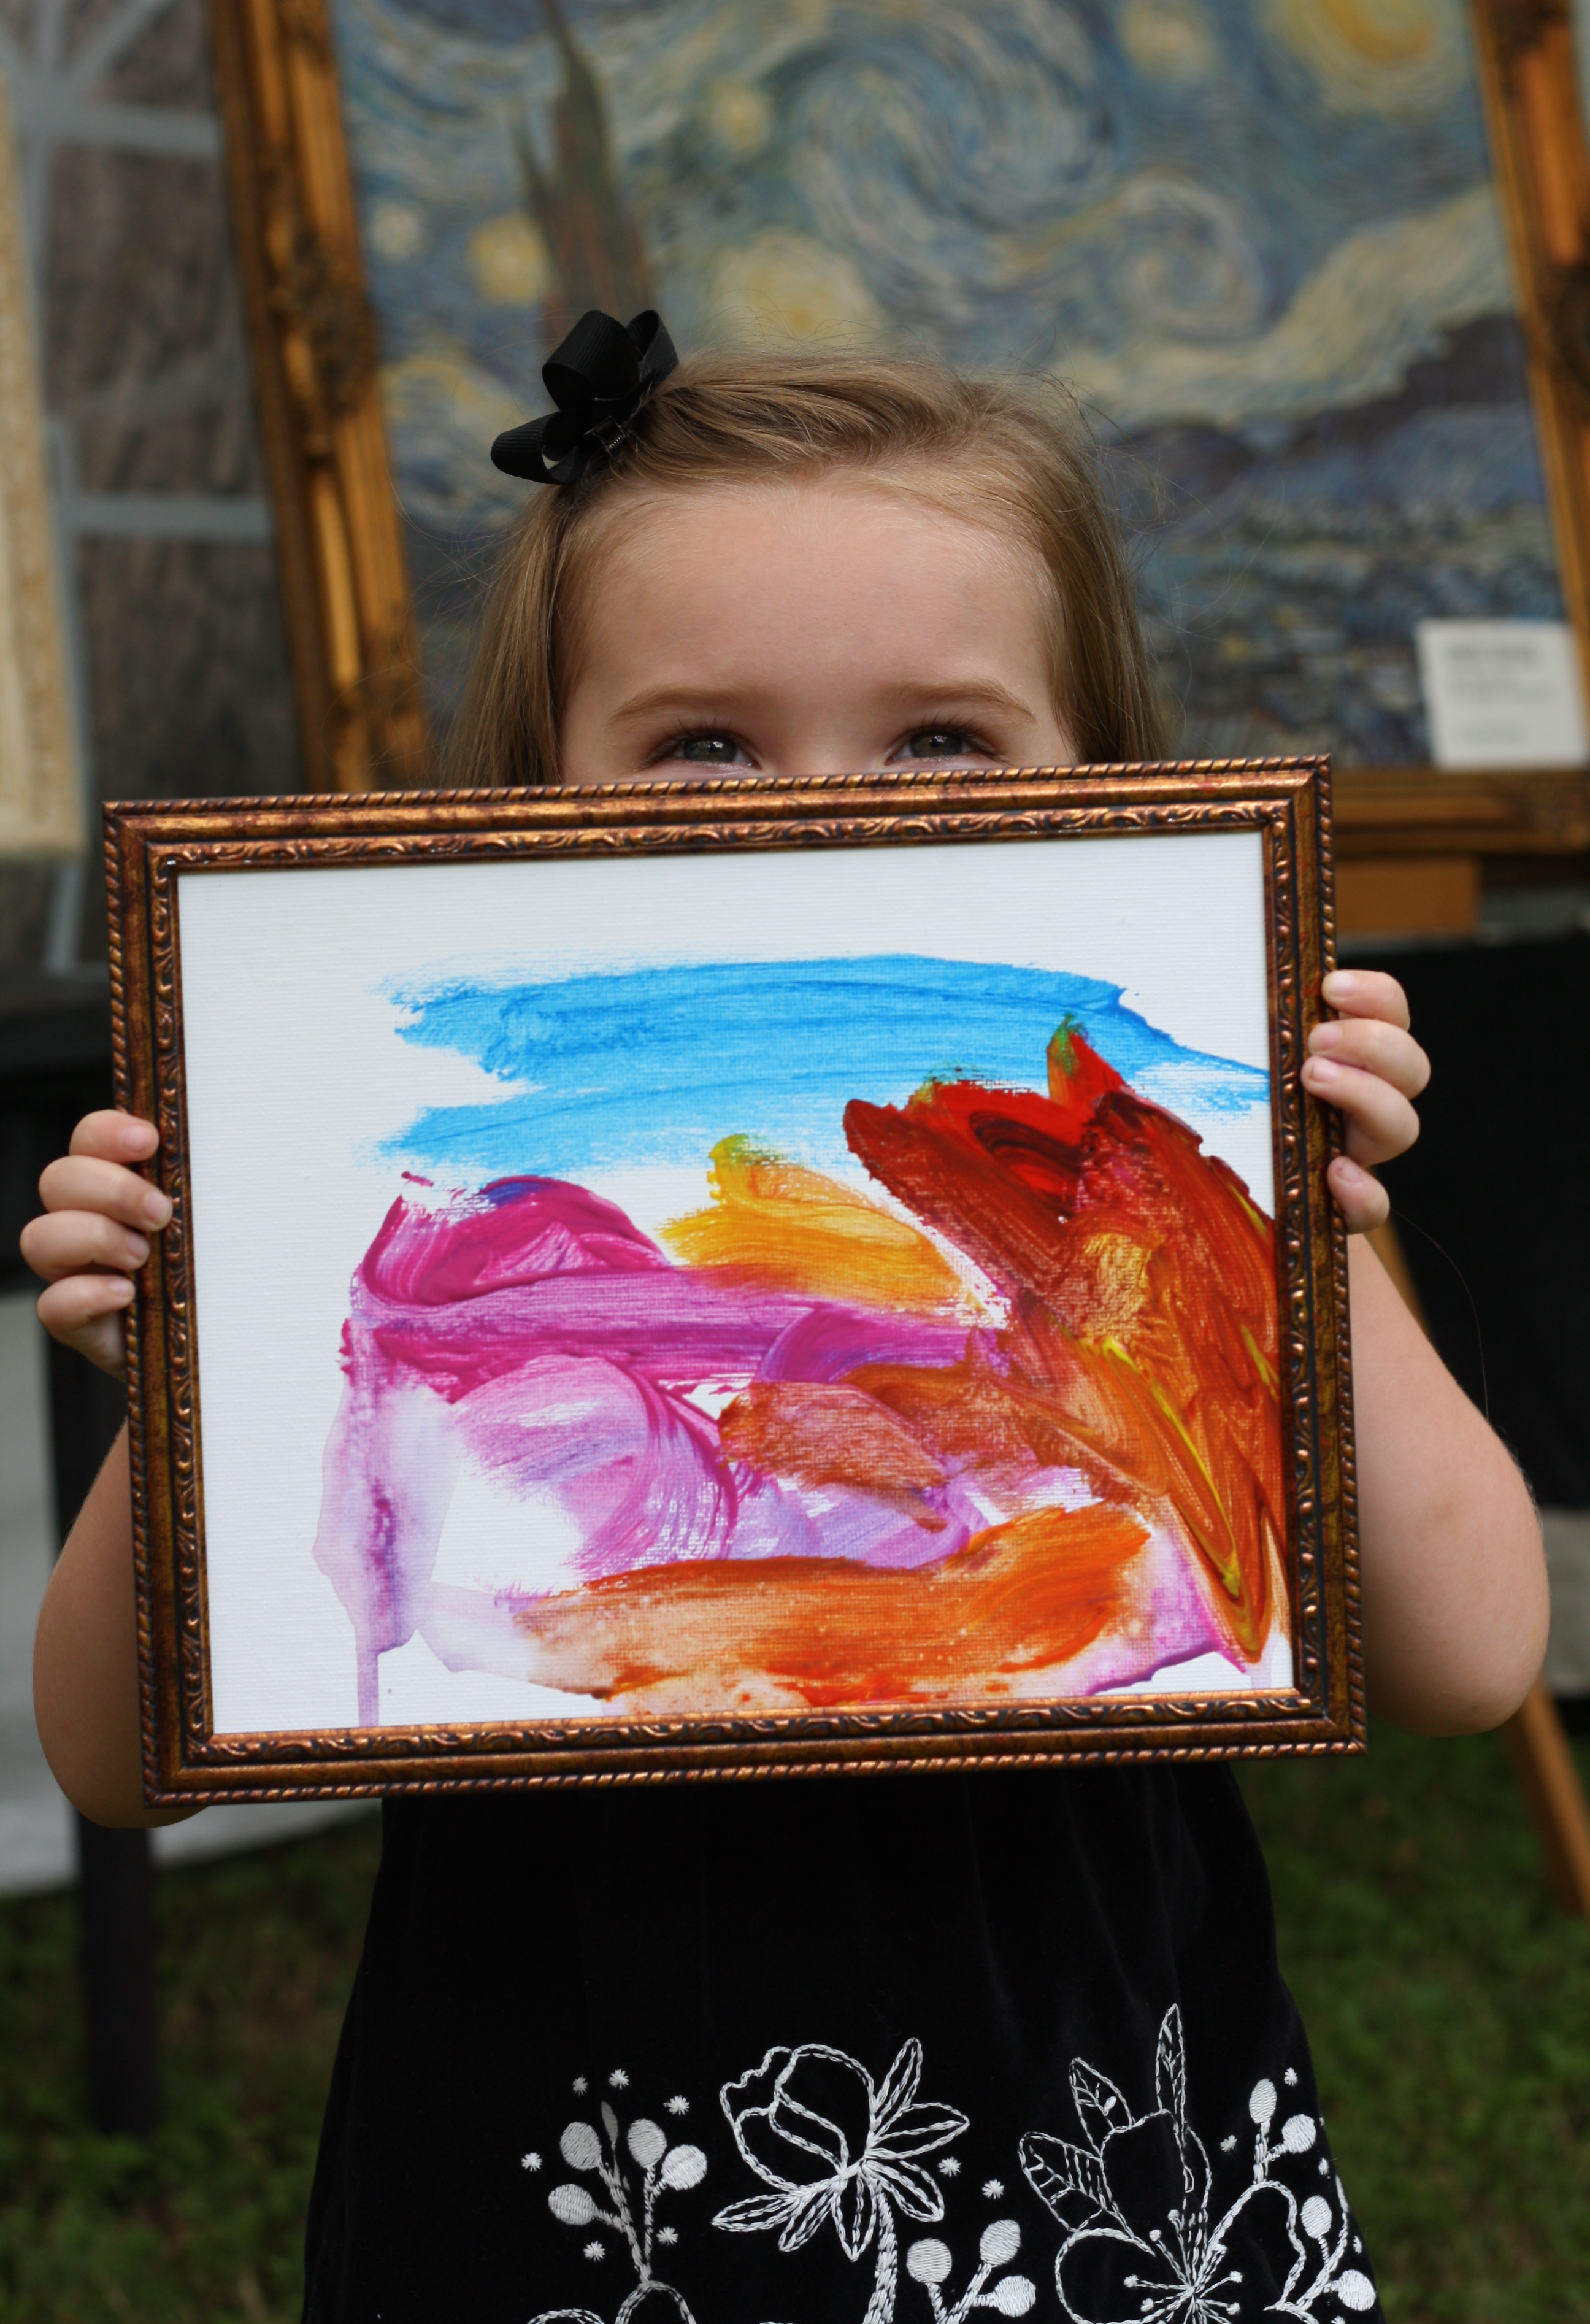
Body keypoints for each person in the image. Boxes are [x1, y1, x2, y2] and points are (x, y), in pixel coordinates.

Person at [26, 318, 1545, 2324]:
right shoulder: (434, 1212)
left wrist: (1290, 1202)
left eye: (940, 741)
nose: (825, 808)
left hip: (1083, 2140)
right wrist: (203, 1363)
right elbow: (107, 1759)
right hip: (570, 2169)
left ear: (1114, 786)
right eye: (707, 746)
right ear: (526, 798)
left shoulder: (1154, 1199)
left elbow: (1472, 1650)